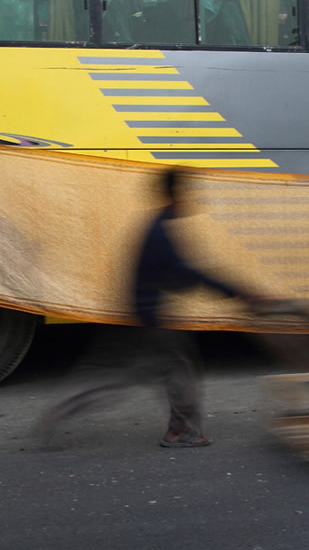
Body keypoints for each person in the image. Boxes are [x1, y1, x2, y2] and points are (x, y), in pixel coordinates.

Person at [38, 168, 254, 448]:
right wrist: (236, 291)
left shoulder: (158, 224)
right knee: (177, 369)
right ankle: (181, 432)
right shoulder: (160, 232)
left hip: (141, 311)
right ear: (176, 195)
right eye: (188, 192)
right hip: (150, 316)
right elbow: (185, 275)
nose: (192, 198)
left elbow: (180, 276)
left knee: (117, 375)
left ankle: (59, 412)